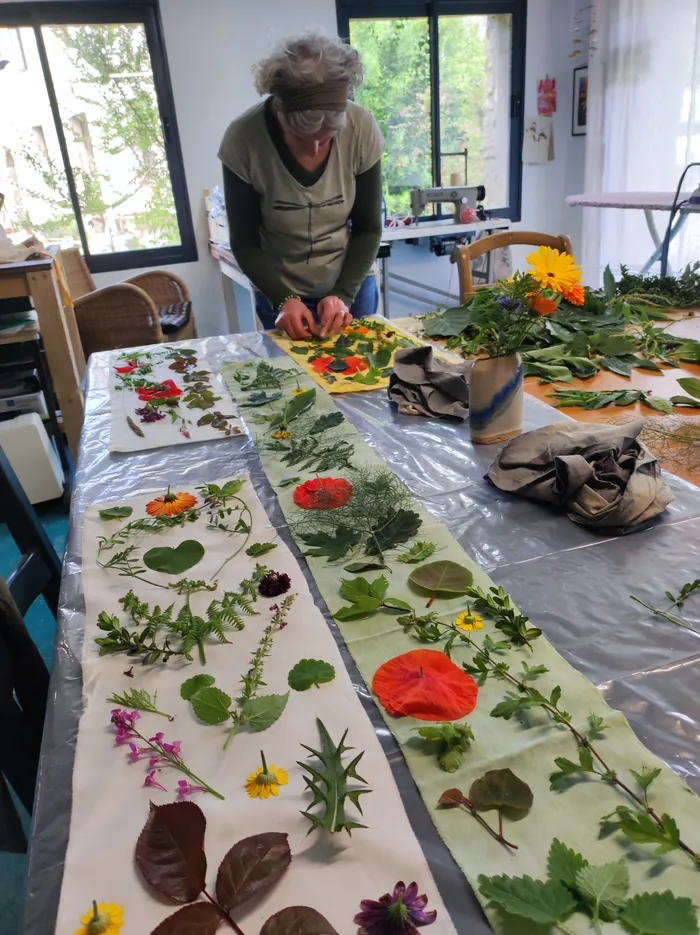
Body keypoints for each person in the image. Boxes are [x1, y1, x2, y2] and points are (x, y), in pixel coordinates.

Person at [218, 32, 384, 339]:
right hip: (280, 288)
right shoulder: (243, 139)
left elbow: (369, 228)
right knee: (295, 382)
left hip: (350, 283)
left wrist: (343, 295)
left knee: (363, 378)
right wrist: (282, 298)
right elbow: (245, 242)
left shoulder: (361, 127)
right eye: (301, 138)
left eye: (327, 138)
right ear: (280, 110)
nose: (314, 149)